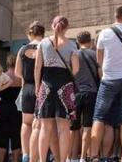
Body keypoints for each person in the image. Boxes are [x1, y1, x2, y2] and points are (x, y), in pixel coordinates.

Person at [90, 6, 122, 162]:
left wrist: (106, 70)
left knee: (99, 117)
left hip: (108, 80)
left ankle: (94, 156)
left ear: (115, 16)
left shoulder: (104, 33)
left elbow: (99, 59)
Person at [36, 16, 80, 162]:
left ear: (52, 25)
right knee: (64, 128)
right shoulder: (72, 44)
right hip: (64, 86)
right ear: (67, 27)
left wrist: (38, 87)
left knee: (45, 128)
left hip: (46, 85)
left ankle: (42, 160)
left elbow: (37, 68)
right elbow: (76, 69)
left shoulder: (43, 43)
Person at [16, 21, 45, 162]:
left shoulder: (22, 49)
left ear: (30, 33)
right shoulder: (45, 46)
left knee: (26, 123)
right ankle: (38, 156)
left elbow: (17, 72)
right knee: (40, 124)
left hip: (26, 87)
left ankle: (26, 155)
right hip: (42, 88)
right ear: (43, 33)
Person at [74, 31, 100, 162]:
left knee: (73, 127)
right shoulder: (95, 55)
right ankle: (83, 157)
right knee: (87, 126)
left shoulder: (73, 55)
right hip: (92, 93)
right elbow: (100, 74)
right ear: (90, 41)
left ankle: (70, 157)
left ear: (78, 42)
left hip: (76, 94)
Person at [0, 55, 23, 162]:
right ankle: (15, 160)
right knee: (16, 136)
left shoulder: (2, 76)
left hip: (3, 109)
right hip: (17, 110)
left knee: (2, 136)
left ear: (7, 64)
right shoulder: (21, 77)